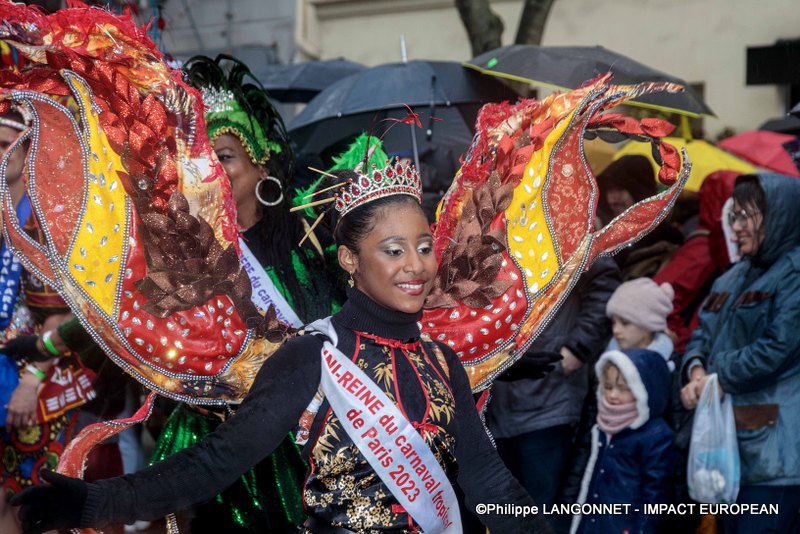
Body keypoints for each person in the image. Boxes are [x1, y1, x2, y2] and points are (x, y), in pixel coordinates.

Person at [12, 155, 554, 534]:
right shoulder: (312, 356)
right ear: (350, 260)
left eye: (422, 247)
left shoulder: (441, 362)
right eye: (393, 250)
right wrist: (90, 501)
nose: (415, 265)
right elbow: (216, 462)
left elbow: (491, 485)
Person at [144, 55, 343, 533]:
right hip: (226, 451)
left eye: (226, 155)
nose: (212, 168)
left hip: (311, 445)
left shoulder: (308, 242)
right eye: (203, 158)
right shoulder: (182, 251)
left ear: (261, 162)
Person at [680, 173, 800, 534]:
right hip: (724, 448)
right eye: (735, 215)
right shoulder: (732, 277)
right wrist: (696, 372)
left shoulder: (794, 273)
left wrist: (715, 376)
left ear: (778, 215)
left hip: (772, 457)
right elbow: (701, 333)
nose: (737, 226)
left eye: (748, 215)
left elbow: (777, 348)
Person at [0, 109, 94, 534]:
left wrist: (31, 381)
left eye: (4, 145)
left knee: (32, 506)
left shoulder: (44, 218)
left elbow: (59, 311)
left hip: (36, 382)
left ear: (26, 148)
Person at [487, 257, 620, 532]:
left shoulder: (562, 217)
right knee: (506, 514)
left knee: (545, 512)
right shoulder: (485, 222)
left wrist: (577, 350)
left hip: (549, 396)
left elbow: (604, 280)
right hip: (497, 401)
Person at [570, 349, 674, 534]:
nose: (613, 395)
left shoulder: (656, 435)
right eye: (608, 387)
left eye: (624, 388)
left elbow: (655, 493)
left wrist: (642, 529)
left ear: (646, 388)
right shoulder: (602, 424)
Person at [652, 171, 739, 354]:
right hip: (679, 348)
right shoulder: (705, 248)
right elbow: (662, 296)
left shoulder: (709, 243)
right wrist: (681, 340)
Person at [596, 155, 684, 279]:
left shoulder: (666, 240)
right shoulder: (606, 235)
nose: (612, 200)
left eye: (620, 189)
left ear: (640, 192)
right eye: (609, 190)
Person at [605, 278, 675, 363]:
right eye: (613, 323)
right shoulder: (606, 353)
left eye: (625, 323)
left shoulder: (669, 365)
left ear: (648, 327)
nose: (615, 330)